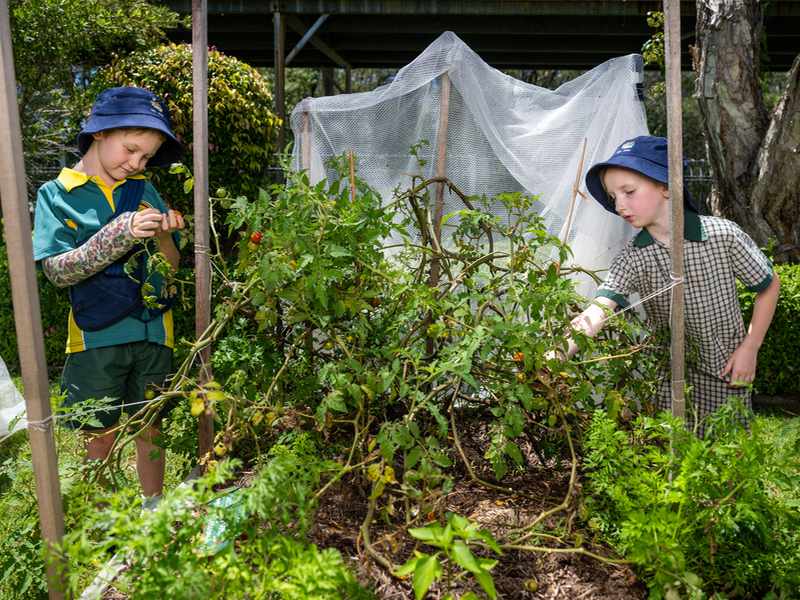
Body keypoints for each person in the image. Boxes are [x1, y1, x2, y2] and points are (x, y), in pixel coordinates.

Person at [561, 136, 780, 432]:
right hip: (667, 378)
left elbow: (768, 286)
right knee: (671, 450)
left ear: (666, 185)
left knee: (730, 450)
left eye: (628, 192)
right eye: (613, 197)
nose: (620, 205)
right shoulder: (634, 257)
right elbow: (597, 311)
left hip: (727, 371)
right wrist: (553, 355)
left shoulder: (722, 235)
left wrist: (750, 348)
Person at [32, 87, 185, 504]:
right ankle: (101, 519)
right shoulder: (57, 194)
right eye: (131, 150)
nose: (136, 164)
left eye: (146, 158)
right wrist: (120, 234)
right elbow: (58, 271)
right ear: (100, 132)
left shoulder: (144, 190)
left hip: (155, 331)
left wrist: (166, 236)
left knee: (150, 427)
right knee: (99, 434)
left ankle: (153, 510)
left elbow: (171, 266)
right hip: (96, 335)